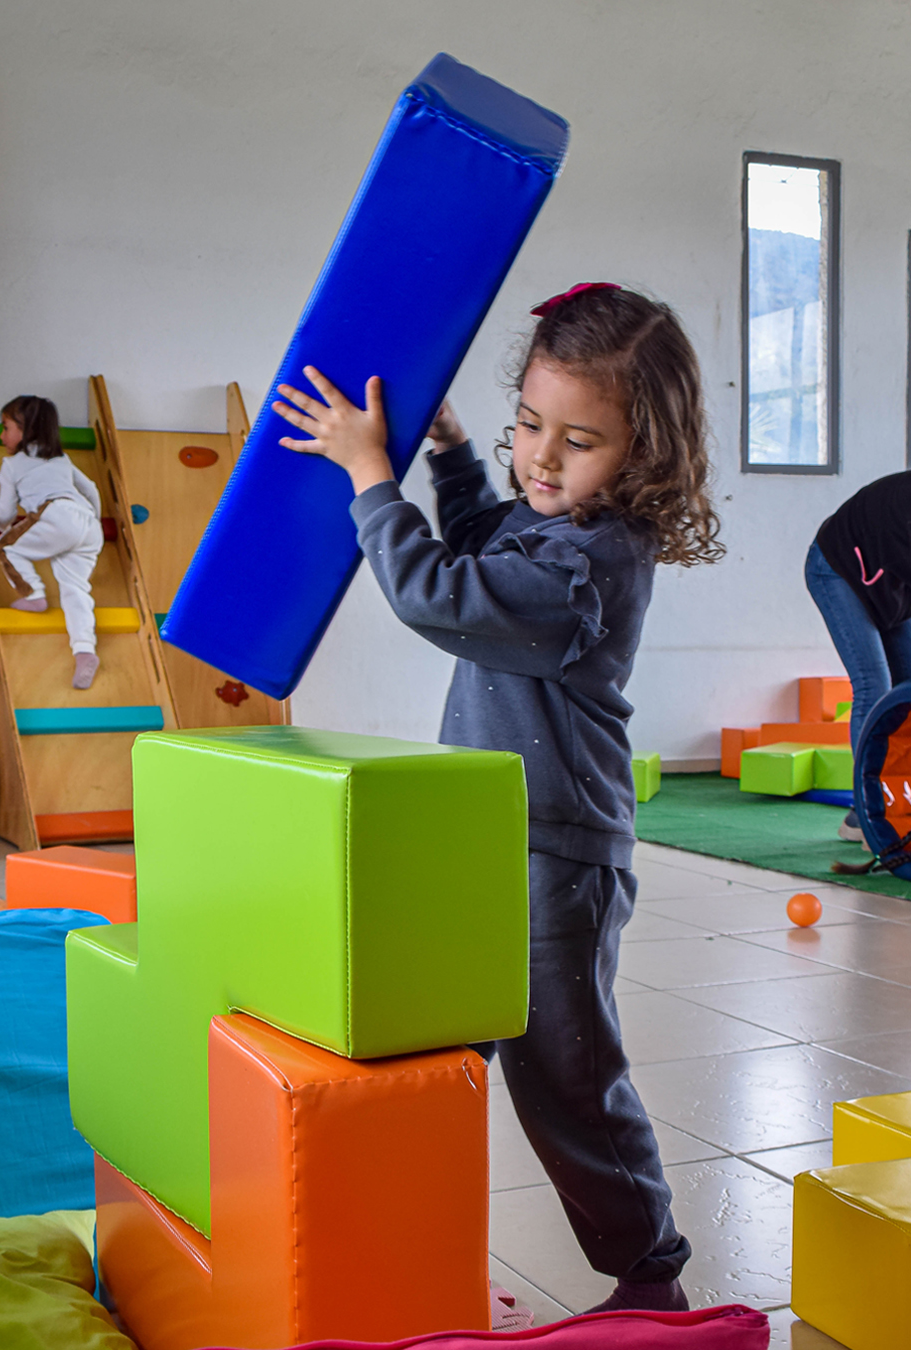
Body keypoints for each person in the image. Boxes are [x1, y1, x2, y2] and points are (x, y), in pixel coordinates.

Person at [272, 282, 724, 1315]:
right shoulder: (552, 526)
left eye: (579, 441)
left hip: (556, 854)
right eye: (529, 424)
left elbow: (441, 590)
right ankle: (403, 1243)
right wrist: (451, 455)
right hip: (484, 837)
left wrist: (370, 475)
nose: (543, 460)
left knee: (564, 1076)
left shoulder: (591, 565)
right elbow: (490, 534)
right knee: (435, 1049)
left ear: (642, 457)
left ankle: (648, 1276)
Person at [805, 471, 911, 844]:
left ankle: (865, 815)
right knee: (875, 687)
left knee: (908, 689)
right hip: (838, 569)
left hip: (891, 581)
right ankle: (869, 812)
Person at [0, 395, 104, 690]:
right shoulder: (60, 459)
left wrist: (3, 527)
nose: (2, 435)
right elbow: (91, 489)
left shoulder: (13, 464)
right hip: (89, 526)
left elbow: (5, 511)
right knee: (75, 590)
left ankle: (33, 594)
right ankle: (84, 651)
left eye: (6, 427)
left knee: (4, 546)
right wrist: (92, 520)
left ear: (25, 429)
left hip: (55, 514)